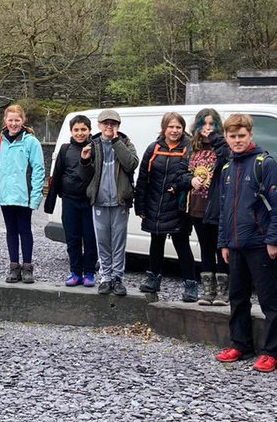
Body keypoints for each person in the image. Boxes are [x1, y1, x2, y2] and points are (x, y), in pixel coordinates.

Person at [215, 114, 277, 373]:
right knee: (237, 298)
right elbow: (224, 210)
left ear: (250, 135)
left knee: (270, 300)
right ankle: (241, 344)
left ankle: (272, 351)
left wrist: (273, 240)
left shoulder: (264, 164)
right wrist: (224, 242)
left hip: (260, 244)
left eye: (241, 136)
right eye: (232, 136)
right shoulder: (227, 168)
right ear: (226, 138)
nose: (237, 141)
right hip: (235, 244)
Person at [135, 111, 198, 302]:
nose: (174, 130)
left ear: (183, 129)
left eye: (178, 127)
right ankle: (153, 278)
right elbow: (143, 179)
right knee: (156, 242)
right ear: (164, 128)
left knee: (182, 245)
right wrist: (140, 205)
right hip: (156, 203)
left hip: (178, 205)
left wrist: (180, 184)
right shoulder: (153, 148)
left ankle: (190, 285)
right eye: (171, 127)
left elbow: (193, 175)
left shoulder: (189, 148)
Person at [85, 110, 139, 296]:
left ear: (118, 126)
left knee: (118, 242)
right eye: (106, 123)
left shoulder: (126, 143)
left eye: (113, 124)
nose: (109, 126)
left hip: (119, 201)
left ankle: (118, 278)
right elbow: (85, 174)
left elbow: (131, 164)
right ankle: (105, 277)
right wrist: (84, 161)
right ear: (99, 125)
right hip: (99, 201)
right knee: (103, 242)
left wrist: (116, 143)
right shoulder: (93, 145)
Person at [0, 104, 45, 284]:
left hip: (24, 194)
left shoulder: (31, 142)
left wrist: (36, 195)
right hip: (6, 193)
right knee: (11, 231)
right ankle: (14, 266)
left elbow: (38, 169)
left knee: (25, 230)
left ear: (23, 120)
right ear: (5, 121)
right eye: (10, 120)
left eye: (17, 120)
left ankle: (28, 266)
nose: (14, 123)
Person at [45, 114, 97, 287]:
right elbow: (57, 174)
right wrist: (52, 201)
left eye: (83, 129)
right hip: (69, 200)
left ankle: (89, 272)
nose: (80, 133)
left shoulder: (95, 149)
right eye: (76, 130)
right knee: (72, 238)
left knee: (90, 238)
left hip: (90, 201)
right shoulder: (65, 149)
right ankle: (75, 272)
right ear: (71, 131)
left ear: (90, 131)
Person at [185, 108, 226, 305]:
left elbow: (226, 160)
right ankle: (208, 290)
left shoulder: (222, 146)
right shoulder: (193, 148)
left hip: (217, 206)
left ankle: (223, 291)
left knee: (220, 247)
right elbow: (182, 172)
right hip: (197, 205)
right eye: (204, 124)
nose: (207, 128)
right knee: (205, 247)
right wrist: (190, 180)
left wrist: (217, 138)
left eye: (212, 124)